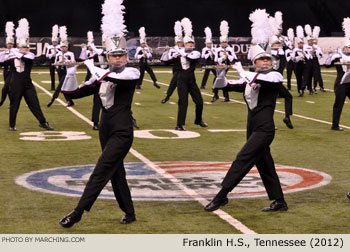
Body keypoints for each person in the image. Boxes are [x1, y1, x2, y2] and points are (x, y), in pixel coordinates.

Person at [59, 0, 139, 227]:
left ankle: (77, 213)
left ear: (126, 55)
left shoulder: (131, 72)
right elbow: (72, 93)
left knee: (101, 171)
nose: (117, 59)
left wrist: (93, 67)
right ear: (108, 56)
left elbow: (113, 78)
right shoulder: (102, 74)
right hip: (105, 129)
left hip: (122, 132)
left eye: (121, 55)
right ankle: (130, 213)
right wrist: (71, 72)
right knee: (116, 173)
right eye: (113, 55)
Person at [204, 9, 287, 213]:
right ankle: (279, 201)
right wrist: (221, 72)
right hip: (252, 128)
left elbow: (261, 79)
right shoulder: (251, 78)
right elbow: (222, 86)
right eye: (262, 60)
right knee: (265, 165)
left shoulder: (273, 77)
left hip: (265, 129)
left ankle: (221, 196)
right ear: (254, 61)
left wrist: (242, 70)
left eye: (268, 59)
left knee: (242, 160)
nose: (267, 62)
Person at [3, 18, 53, 131]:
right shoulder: (12, 54)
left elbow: (25, 58)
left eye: (26, 47)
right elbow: (2, 61)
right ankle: (12, 125)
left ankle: (43, 122)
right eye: (23, 47)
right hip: (15, 84)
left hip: (27, 84)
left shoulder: (29, 54)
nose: (25, 49)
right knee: (14, 104)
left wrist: (14, 51)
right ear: (19, 47)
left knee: (34, 103)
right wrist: (6, 52)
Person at [173, 17, 207, 131]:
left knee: (200, 101)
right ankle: (179, 124)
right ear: (184, 43)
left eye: (192, 43)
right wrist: (173, 52)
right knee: (183, 102)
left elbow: (191, 56)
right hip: (181, 80)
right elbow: (166, 59)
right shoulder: (179, 51)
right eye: (188, 43)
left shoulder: (196, 52)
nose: (190, 44)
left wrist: (179, 51)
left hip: (191, 80)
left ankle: (198, 120)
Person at [324, 17, 350, 131]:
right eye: (346, 47)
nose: (348, 49)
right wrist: (331, 55)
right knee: (338, 104)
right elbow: (327, 64)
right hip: (341, 83)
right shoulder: (338, 55)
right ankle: (335, 125)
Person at [47, 26, 75, 107]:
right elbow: (56, 62)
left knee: (60, 87)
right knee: (63, 87)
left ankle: (52, 99)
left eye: (65, 46)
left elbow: (73, 62)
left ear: (67, 47)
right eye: (62, 47)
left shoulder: (70, 54)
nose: (64, 48)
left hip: (67, 71)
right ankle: (70, 101)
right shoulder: (58, 54)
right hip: (60, 71)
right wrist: (59, 63)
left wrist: (65, 62)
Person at [270, 35, 294, 129]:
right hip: (271, 81)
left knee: (288, 97)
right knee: (271, 102)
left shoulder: (279, 53)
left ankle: (287, 117)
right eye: (276, 43)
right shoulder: (270, 54)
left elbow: (287, 51)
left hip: (277, 81)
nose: (278, 45)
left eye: (278, 43)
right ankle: (271, 122)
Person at [212, 20, 237, 102]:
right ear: (220, 42)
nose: (224, 43)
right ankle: (225, 96)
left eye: (225, 42)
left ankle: (216, 95)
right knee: (221, 79)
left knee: (218, 78)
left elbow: (234, 58)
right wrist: (222, 58)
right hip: (219, 65)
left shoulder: (230, 49)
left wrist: (227, 55)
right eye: (223, 42)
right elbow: (215, 59)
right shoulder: (217, 49)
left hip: (226, 66)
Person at [160, 21, 183, 104]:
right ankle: (167, 97)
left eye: (181, 42)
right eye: (179, 42)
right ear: (176, 42)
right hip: (176, 68)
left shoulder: (185, 50)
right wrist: (167, 51)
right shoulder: (172, 50)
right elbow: (168, 60)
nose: (180, 43)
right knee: (173, 83)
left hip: (185, 68)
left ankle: (181, 99)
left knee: (183, 85)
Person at [0, 21, 15, 107]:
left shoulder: (16, 51)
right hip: (5, 71)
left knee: (7, 87)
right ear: (6, 44)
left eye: (11, 44)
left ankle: (1, 101)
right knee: (9, 88)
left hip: (13, 71)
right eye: (9, 43)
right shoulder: (3, 51)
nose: (10, 45)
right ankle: (11, 103)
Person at [46, 25, 61, 91]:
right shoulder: (49, 47)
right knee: (52, 74)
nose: (54, 43)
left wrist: (57, 52)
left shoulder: (60, 46)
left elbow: (62, 53)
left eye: (55, 42)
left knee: (59, 73)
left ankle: (60, 86)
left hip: (58, 61)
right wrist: (52, 54)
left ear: (57, 42)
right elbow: (47, 55)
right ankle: (52, 87)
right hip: (52, 61)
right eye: (53, 42)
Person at [293, 26, 306, 97]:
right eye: (300, 43)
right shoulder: (295, 50)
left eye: (302, 43)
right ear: (298, 44)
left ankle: (303, 88)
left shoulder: (306, 49)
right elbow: (293, 59)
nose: (301, 44)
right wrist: (300, 56)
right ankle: (300, 91)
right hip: (298, 65)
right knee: (299, 78)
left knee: (305, 77)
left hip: (304, 65)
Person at [312, 28, 325, 93]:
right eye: (313, 42)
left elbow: (321, 55)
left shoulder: (317, 47)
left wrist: (316, 52)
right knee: (313, 75)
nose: (314, 43)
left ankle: (320, 86)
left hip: (315, 61)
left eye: (315, 42)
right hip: (310, 61)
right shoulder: (307, 46)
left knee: (318, 74)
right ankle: (313, 88)